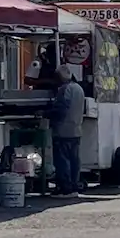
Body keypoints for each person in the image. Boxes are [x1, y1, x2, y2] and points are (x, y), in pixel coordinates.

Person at [45, 64, 85, 197]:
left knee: (62, 160)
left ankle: (65, 188)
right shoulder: (79, 89)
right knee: (74, 160)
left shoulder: (64, 89)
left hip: (63, 130)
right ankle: (73, 186)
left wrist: (45, 113)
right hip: (76, 130)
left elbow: (61, 110)